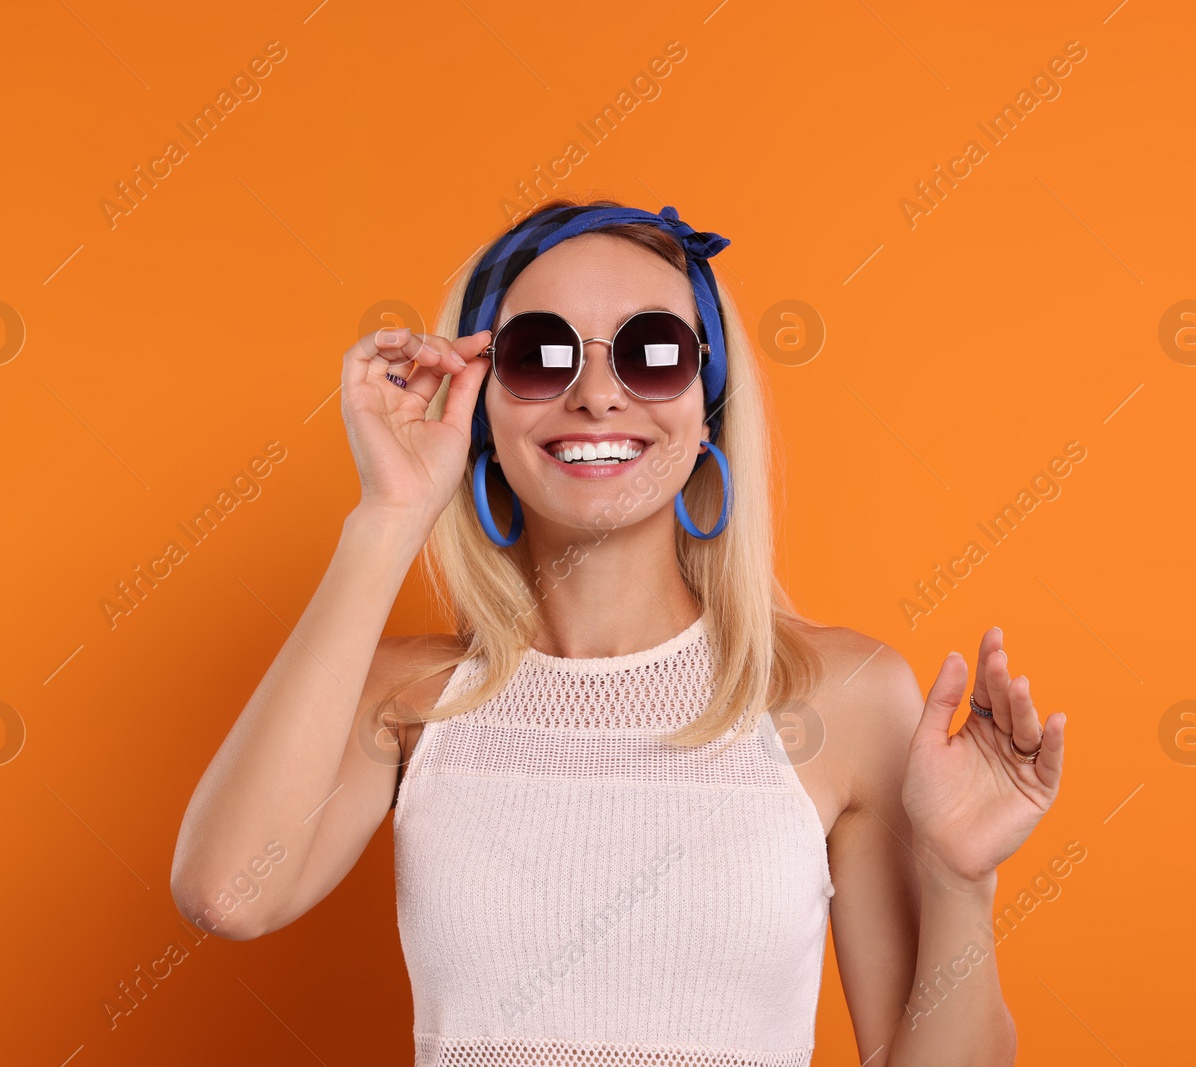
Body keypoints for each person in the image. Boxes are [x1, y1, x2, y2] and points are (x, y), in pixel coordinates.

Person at [170, 196, 1066, 1066]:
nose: (597, 395)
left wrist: (959, 881)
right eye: (538, 355)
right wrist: (391, 512)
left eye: (651, 352)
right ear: (479, 403)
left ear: (707, 400)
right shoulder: (410, 699)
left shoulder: (838, 694)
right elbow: (225, 893)